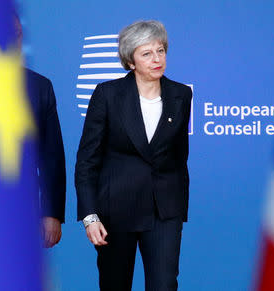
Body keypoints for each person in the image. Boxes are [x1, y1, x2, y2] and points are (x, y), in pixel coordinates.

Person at [75, 20, 192, 290]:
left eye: (161, 50)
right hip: (115, 211)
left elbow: (179, 157)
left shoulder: (181, 95)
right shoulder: (107, 94)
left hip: (164, 211)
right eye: (147, 53)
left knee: (164, 285)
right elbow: (87, 160)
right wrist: (90, 216)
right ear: (130, 62)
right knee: (115, 284)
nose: (157, 59)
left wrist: (177, 208)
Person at [14, 13, 66, 248]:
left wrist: (51, 213)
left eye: (15, 33)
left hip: (21, 208)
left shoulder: (39, 86)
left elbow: (51, 156)